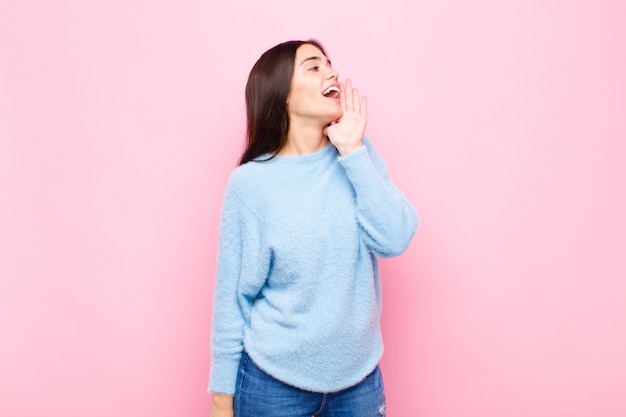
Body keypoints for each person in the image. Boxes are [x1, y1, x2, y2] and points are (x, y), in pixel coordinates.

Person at [208, 39, 418, 417]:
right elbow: (232, 299)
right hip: (273, 384)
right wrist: (222, 399)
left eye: (329, 64)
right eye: (314, 66)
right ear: (282, 95)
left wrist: (353, 152)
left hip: (360, 382)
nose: (332, 72)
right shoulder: (250, 185)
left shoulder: (358, 155)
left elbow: (395, 237)